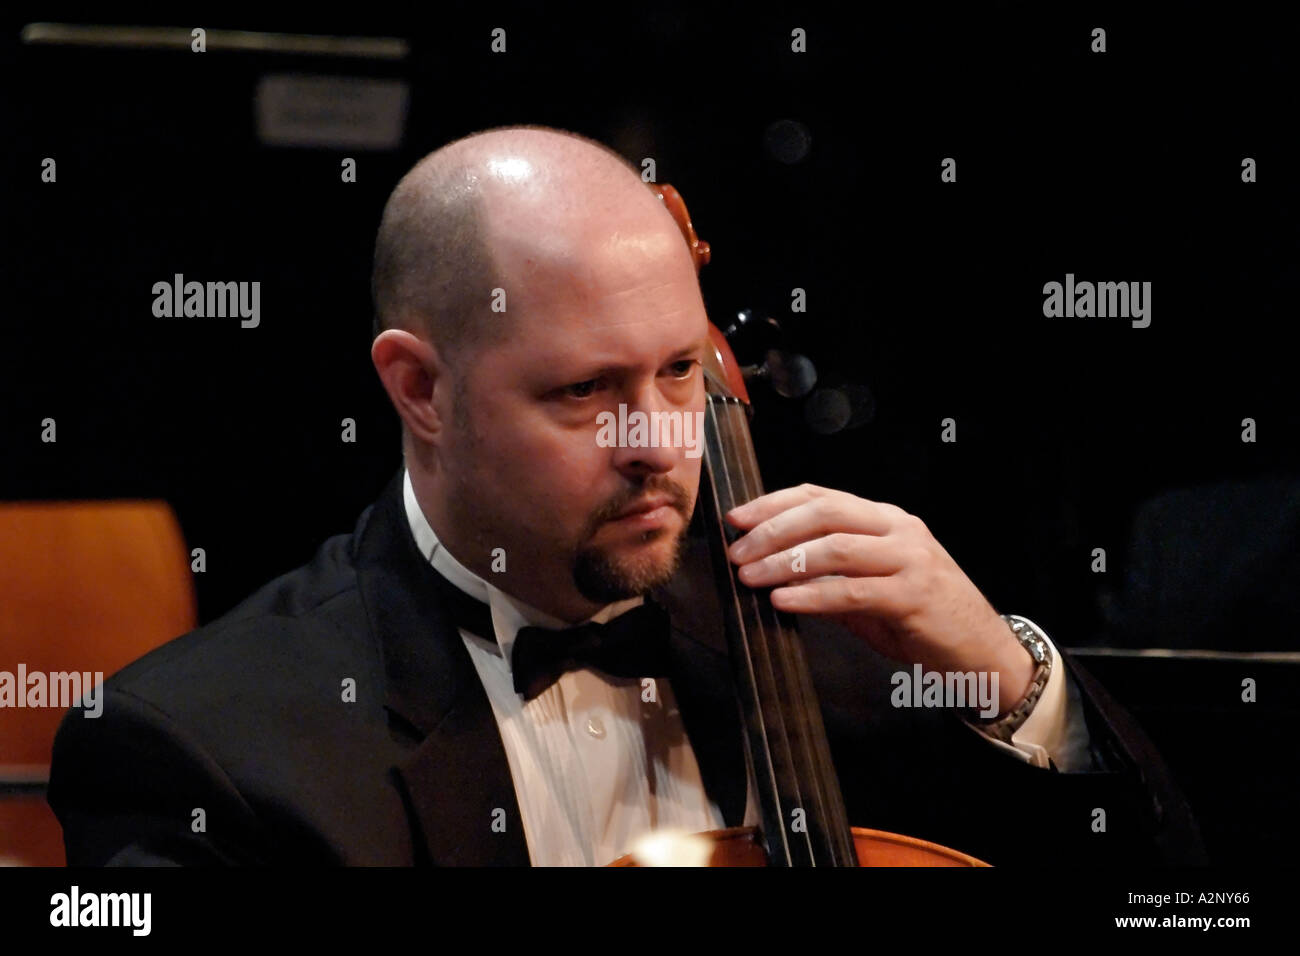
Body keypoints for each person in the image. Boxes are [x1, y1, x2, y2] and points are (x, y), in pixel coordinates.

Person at [48, 124, 1204, 866]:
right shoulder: (206, 751)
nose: (658, 439)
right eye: (585, 390)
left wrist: (1011, 682)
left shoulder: (841, 640)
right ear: (419, 388)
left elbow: (1166, 891)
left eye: (679, 371)